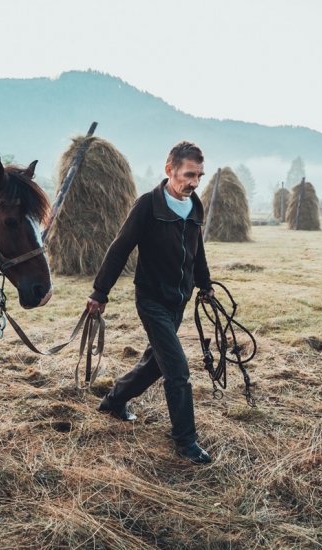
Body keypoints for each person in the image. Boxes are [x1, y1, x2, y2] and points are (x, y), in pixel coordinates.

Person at [86, 140, 215, 464]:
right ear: (169, 170)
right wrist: (100, 292)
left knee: (156, 362)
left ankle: (114, 401)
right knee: (177, 369)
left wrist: (205, 285)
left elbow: (196, 250)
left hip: (179, 301)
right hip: (152, 300)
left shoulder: (195, 206)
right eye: (189, 175)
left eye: (199, 176)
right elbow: (119, 249)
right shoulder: (148, 205)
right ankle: (186, 441)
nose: (194, 182)